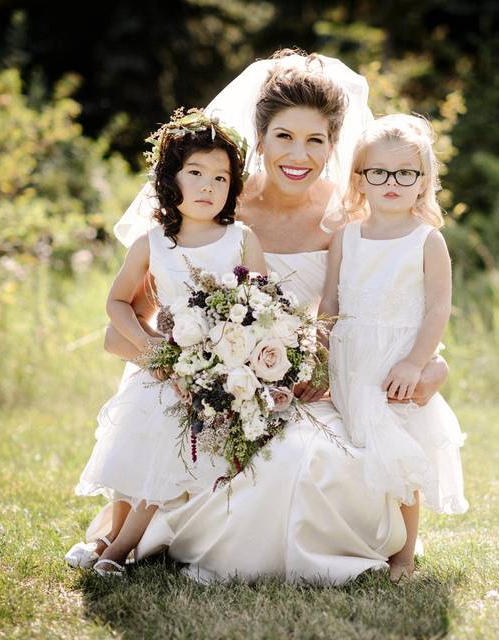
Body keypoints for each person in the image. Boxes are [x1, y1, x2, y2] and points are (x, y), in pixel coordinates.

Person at [101, 50, 451, 584]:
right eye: (284, 136)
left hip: (308, 389)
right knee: (254, 465)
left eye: (316, 141)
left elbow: (384, 307)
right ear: (258, 137)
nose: (299, 154)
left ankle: (330, 551)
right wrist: (192, 370)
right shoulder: (215, 206)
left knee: (315, 460)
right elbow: (129, 322)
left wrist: (425, 366)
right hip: (212, 391)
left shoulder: (348, 219)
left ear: (334, 147)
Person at [65, 109, 265, 576]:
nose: (207, 186)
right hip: (161, 367)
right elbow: (117, 302)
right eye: (195, 173)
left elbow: (260, 305)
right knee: (139, 448)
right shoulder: (154, 244)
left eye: (220, 177)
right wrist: (149, 345)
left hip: (217, 376)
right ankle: (111, 540)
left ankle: (115, 553)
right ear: (170, 178)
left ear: (233, 187)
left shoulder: (241, 240)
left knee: (167, 457)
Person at [320, 114, 468, 581]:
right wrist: (316, 353)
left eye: (405, 173)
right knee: (359, 455)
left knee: (398, 459)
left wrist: (414, 362)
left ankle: (404, 554)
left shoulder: (428, 240)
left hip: (394, 364)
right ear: (360, 179)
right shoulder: (347, 235)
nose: (391, 183)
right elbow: (329, 301)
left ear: (423, 182)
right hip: (349, 358)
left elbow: (437, 310)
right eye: (378, 172)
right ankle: (364, 538)